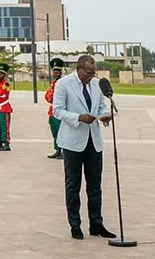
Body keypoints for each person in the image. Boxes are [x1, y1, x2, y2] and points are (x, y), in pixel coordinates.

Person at [52, 54, 118, 240]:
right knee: (73, 185)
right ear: (79, 69)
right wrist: (78, 117)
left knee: (95, 185)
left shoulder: (96, 85)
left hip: (93, 141)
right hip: (73, 141)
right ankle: (75, 225)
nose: (90, 76)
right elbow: (57, 110)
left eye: (93, 73)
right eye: (88, 73)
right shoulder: (64, 84)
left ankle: (96, 224)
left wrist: (104, 115)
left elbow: (99, 108)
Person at [44, 57, 65, 159]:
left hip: (59, 111)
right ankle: (57, 149)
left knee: (61, 131)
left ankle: (63, 151)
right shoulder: (53, 83)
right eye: (54, 72)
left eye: (57, 72)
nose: (55, 74)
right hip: (52, 111)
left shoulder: (63, 83)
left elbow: (55, 96)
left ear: (61, 73)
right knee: (55, 132)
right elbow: (48, 97)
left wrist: (51, 97)